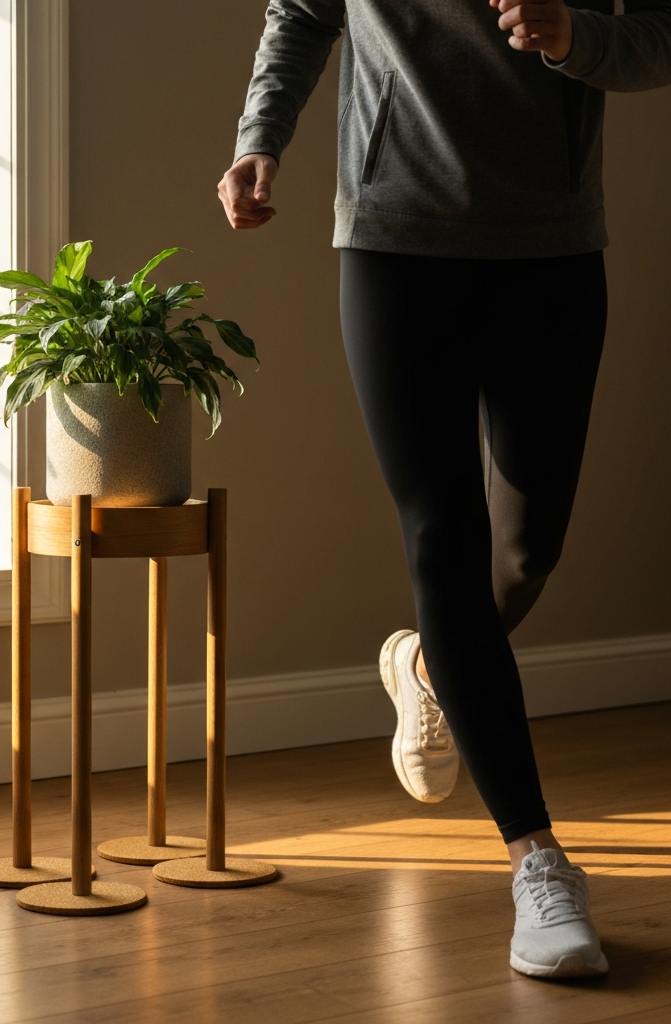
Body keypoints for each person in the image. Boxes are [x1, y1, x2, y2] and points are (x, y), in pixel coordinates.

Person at [219, 0, 671, 979]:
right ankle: (538, 860)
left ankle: (426, 667)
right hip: (394, 237)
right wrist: (262, 138)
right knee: (443, 543)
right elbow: (301, 13)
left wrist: (572, 38)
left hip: (548, 246)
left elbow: (658, 37)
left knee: (523, 554)